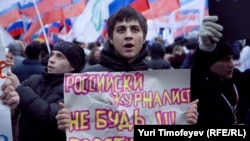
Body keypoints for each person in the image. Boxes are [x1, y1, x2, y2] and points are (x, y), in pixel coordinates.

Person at [56, 6, 199, 131]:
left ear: (143, 38)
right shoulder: (87, 79)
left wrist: (183, 117)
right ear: (110, 38)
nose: (128, 35)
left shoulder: (160, 84)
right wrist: (66, 123)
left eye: (135, 29)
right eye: (121, 30)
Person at [2, 41, 86, 141]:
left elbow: (49, 117)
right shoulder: (33, 80)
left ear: (73, 66)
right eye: (52, 55)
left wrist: (20, 89)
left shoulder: (75, 89)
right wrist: (5, 72)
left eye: (60, 57)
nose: (52, 60)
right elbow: (14, 105)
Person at [191, 15, 250, 124]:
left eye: (232, 58)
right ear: (210, 64)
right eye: (226, 60)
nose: (231, 64)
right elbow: (197, 72)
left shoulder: (237, 77)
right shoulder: (203, 86)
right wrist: (204, 49)